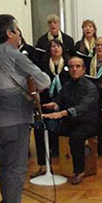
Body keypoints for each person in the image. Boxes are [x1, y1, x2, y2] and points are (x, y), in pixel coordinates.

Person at [0, 14, 50, 203]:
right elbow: (44, 81)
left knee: (6, 166)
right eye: (17, 30)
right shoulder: (16, 57)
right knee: (16, 168)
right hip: (16, 119)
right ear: (9, 33)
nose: (19, 35)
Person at [43, 56, 99, 185]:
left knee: (76, 137)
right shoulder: (67, 85)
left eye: (78, 66)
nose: (74, 69)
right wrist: (54, 105)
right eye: (71, 66)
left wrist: (62, 113)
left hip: (87, 123)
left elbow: (83, 107)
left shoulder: (90, 87)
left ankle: (79, 171)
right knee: (46, 128)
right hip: (70, 121)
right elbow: (60, 100)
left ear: (84, 69)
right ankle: (45, 166)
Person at [31, 39, 71, 177]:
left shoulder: (69, 65)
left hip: (64, 103)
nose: (55, 48)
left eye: (58, 46)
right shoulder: (42, 65)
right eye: (52, 46)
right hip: (45, 102)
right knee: (40, 131)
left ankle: (64, 165)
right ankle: (43, 165)